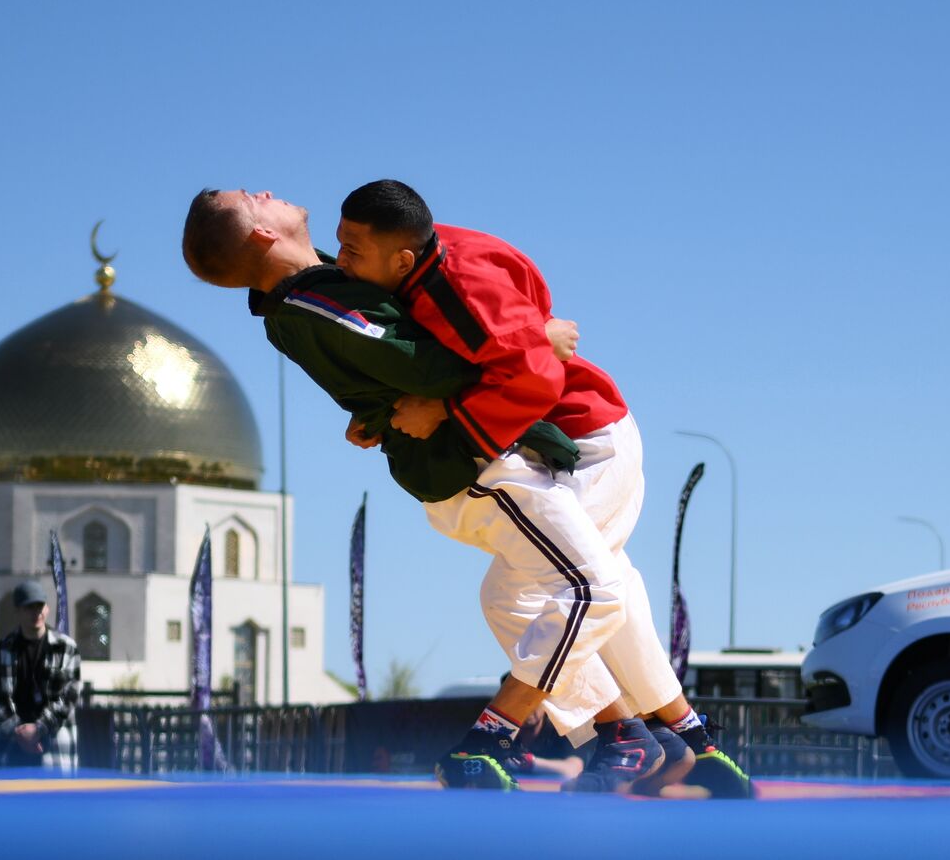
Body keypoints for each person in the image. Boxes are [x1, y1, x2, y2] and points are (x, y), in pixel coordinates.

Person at [182, 186, 749, 797]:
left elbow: (428, 345)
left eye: (354, 246)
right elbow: (422, 360)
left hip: (555, 438)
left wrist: (520, 343)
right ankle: (660, 739)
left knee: (563, 591)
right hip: (504, 453)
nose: (267, 191)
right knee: (579, 588)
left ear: (401, 255)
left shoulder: (339, 279)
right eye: (250, 196)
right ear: (262, 235)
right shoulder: (325, 293)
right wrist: (538, 340)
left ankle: (621, 738)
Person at [0, 581, 82, 770]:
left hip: (55, 750)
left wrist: (39, 728)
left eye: (40, 606)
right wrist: (18, 730)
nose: (36, 613)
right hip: (10, 749)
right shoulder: (0, 650)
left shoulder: (66, 648)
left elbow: (69, 697)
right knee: (9, 799)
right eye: (29, 607)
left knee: (55, 799)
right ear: (18, 611)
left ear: (47, 608)